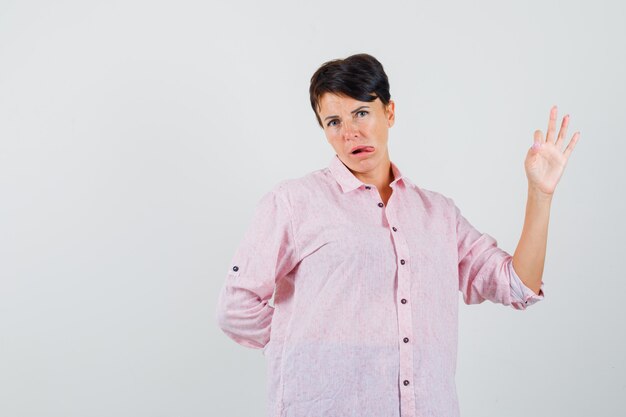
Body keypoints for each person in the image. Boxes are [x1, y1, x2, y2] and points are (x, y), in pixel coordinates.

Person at [215, 53, 580, 417]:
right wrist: (308, 347)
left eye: (361, 113)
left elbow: (517, 285)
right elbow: (236, 307)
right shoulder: (294, 203)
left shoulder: (438, 214)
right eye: (333, 122)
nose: (350, 133)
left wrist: (540, 194)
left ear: (389, 113)